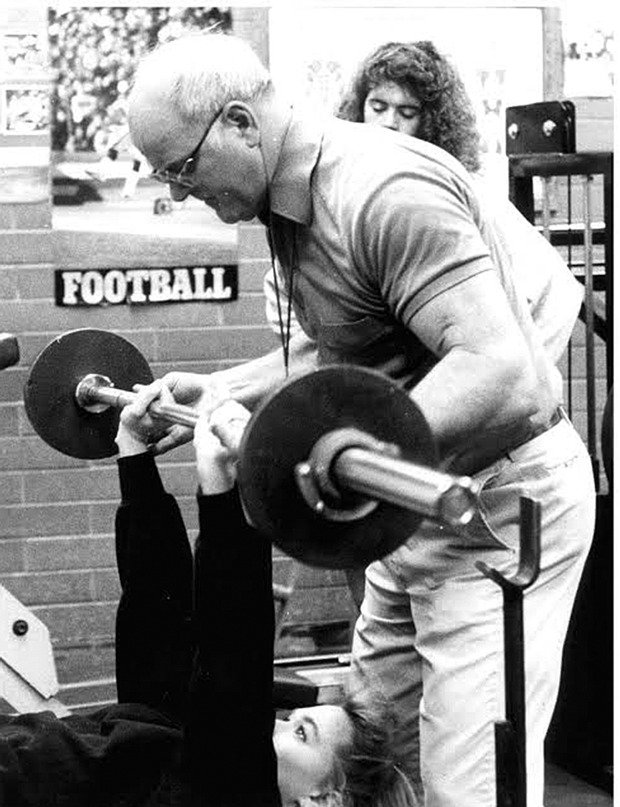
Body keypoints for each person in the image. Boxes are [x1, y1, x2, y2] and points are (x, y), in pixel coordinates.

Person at [127, 32, 595, 807]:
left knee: (462, 789)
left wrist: (320, 443)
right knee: (367, 763)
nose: (179, 193)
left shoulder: (380, 191)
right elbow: (341, 353)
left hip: (496, 510)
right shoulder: (291, 203)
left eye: (183, 168)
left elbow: (509, 377)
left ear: (241, 124)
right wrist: (225, 390)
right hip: (409, 510)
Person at [262, 38, 585, 609]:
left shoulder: (443, 199)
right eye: (378, 106)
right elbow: (314, 355)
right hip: (385, 453)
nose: (387, 123)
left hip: (471, 464)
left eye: (406, 113)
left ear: (432, 124)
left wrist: (501, 396)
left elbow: (553, 302)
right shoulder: (333, 210)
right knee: (375, 602)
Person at [0, 382, 418, 807]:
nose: (271, 725)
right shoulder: (179, 760)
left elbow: (234, 660)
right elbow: (156, 616)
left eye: (300, 732)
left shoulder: (231, 792)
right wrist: (134, 453)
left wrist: (225, 488)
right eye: (286, 720)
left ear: (324, 798)